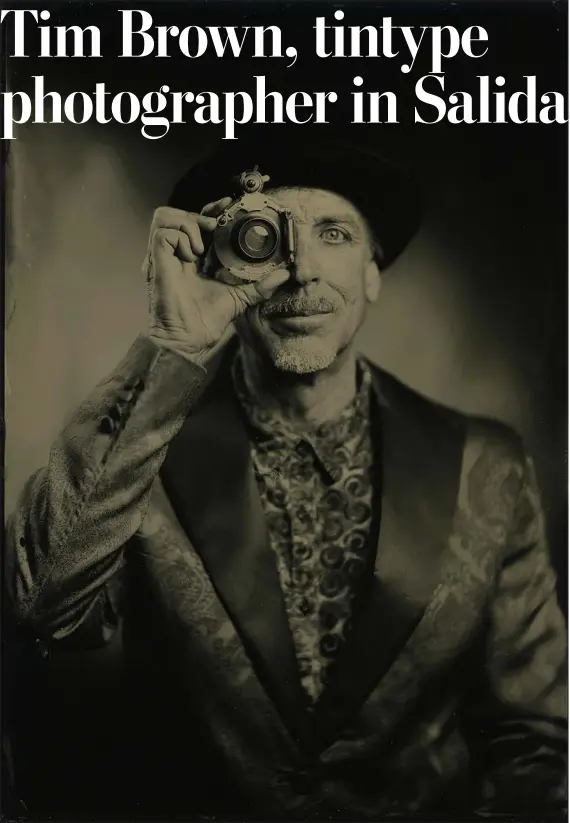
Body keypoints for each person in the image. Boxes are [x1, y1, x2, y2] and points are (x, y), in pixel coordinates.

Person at [5, 135, 567, 820]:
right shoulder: (139, 451)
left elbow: (535, 737)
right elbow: (42, 606)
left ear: (373, 270)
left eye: (332, 232)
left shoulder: (489, 463)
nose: (300, 272)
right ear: (218, 258)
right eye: (266, 234)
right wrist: (172, 345)